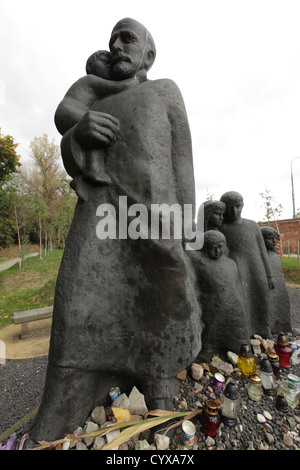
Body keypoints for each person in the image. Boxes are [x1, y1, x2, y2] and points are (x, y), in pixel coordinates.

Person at [28, 18, 203, 443]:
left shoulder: (164, 91)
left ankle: (160, 379)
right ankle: (70, 392)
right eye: (112, 40)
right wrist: (80, 133)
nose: (117, 46)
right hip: (101, 216)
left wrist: (186, 229)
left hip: (155, 221)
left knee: (162, 298)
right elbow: (67, 129)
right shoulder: (94, 95)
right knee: (79, 302)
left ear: (148, 55)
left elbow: (183, 165)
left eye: (128, 38)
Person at [219, 191, 275, 338]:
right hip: (236, 268)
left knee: (261, 297)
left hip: (256, 267)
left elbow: (263, 251)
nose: (234, 211)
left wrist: (269, 275)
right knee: (242, 300)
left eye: (237, 206)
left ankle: (264, 328)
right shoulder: (221, 227)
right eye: (230, 207)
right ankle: (246, 331)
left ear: (243, 205)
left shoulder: (252, 225)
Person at [194, 231, 249, 360]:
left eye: (220, 246)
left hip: (234, 305)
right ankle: (208, 349)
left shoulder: (231, 263)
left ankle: (240, 347)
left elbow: (237, 285)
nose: (217, 250)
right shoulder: (201, 262)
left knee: (237, 328)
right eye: (212, 247)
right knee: (211, 330)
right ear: (205, 248)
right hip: (212, 306)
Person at [260, 226, 292, 333]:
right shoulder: (260, 258)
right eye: (270, 238)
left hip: (280, 289)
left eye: (275, 238)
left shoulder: (275, 256)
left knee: (282, 306)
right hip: (268, 290)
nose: (274, 241)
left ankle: (285, 326)